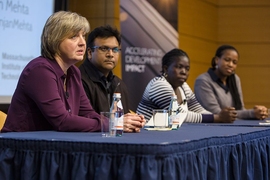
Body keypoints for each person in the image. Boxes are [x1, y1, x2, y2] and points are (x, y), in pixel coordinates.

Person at [1, 11, 102, 132]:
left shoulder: (74, 72)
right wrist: (109, 125)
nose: (82, 43)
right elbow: (62, 122)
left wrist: (114, 123)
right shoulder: (40, 70)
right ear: (55, 40)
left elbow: (87, 113)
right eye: (74, 36)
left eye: (83, 36)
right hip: (20, 147)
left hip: (51, 145)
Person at [137, 48, 237, 123]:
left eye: (187, 68)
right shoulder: (159, 85)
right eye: (179, 67)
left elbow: (198, 110)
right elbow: (177, 116)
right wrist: (217, 118)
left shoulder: (183, 86)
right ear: (166, 69)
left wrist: (219, 116)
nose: (184, 72)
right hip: (146, 138)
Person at [79, 25, 145, 132]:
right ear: (90, 52)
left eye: (115, 50)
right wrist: (116, 123)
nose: (110, 54)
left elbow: (123, 118)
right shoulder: (78, 79)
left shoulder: (119, 83)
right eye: (104, 49)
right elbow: (83, 120)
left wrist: (133, 122)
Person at [194, 45, 268, 120]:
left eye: (234, 62)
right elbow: (217, 113)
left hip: (233, 124)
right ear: (217, 60)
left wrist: (260, 112)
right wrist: (251, 113)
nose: (230, 65)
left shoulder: (235, 79)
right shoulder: (203, 81)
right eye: (227, 60)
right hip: (211, 127)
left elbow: (241, 109)